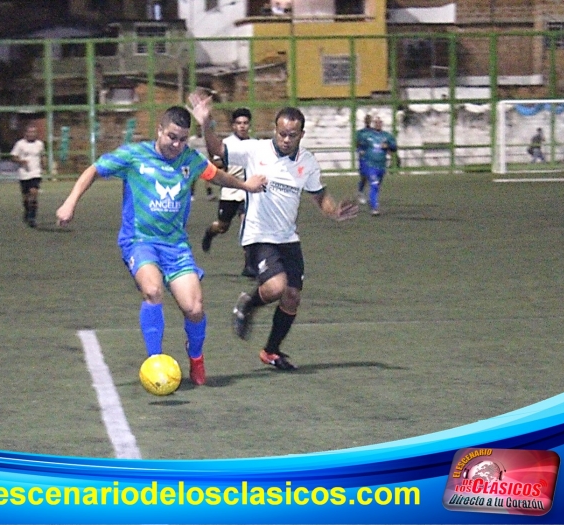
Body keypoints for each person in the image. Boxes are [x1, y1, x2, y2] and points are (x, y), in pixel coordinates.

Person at [55, 106, 267, 386]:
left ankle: (196, 357)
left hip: (175, 246)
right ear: (159, 130)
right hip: (139, 241)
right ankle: (155, 361)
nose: (177, 145)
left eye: (182, 139)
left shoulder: (190, 160)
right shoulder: (134, 155)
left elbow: (216, 175)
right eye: (171, 137)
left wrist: (246, 186)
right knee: (153, 290)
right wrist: (70, 202)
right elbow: (94, 170)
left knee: (194, 308)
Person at [188, 92, 358, 371]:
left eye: (292, 135)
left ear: (301, 134)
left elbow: (319, 196)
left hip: (288, 238)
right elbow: (217, 150)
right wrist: (206, 123)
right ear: (274, 130)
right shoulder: (256, 150)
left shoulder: (307, 162)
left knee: (292, 296)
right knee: (276, 287)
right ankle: (249, 303)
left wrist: (334, 211)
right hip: (258, 235)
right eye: (282, 133)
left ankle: (271, 351)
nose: (286, 139)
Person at [201, 107, 257, 277]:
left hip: (247, 192)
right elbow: (216, 165)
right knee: (222, 226)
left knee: (248, 225)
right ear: (233, 126)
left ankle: (250, 265)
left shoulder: (255, 144)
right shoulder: (225, 144)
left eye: (245, 123)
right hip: (230, 192)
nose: (242, 126)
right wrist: (221, 163)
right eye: (239, 123)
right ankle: (211, 232)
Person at [356, 116, 397, 216]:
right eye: (376, 123)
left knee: (377, 186)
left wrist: (388, 146)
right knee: (374, 185)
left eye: (380, 122)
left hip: (381, 166)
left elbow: (394, 147)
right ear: (374, 124)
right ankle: (374, 208)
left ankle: (371, 201)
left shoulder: (387, 136)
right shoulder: (367, 135)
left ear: (382, 124)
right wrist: (361, 151)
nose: (378, 124)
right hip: (371, 165)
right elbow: (360, 145)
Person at [11, 124, 46, 227]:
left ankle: (32, 217)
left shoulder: (39, 144)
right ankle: (27, 211)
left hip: (36, 173)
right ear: (25, 133)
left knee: (34, 193)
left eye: (34, 132)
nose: (32, 134)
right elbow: (13, 157)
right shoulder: (20, 144)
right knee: (26, 198)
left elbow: (42, 155)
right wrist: (21, 161)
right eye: (30, 132)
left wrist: (43, 164)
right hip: (24, 174)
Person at [355, 113, 374, 205]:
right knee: (364, 176)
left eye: (369, 119)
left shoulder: (374, 132)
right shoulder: (360, 132)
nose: (368, 121)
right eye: (366, 119)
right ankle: (360, 192)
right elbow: (357, 144)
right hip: (363, 157)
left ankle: (371, 195)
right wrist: (360, 151)